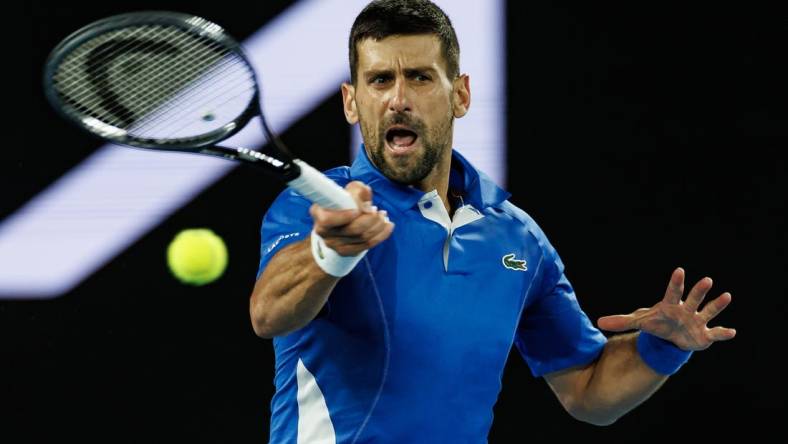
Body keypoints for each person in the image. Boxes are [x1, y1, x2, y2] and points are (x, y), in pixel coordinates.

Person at [249, 0, 736, 442]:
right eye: (379, 80)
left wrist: (663, 349)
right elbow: (269, 314)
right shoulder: (316, 209)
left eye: (419, 77)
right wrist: (330, 251)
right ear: (351, 102)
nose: (398, 99)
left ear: (460, 95)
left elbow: (587, 393)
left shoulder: (517, 237)